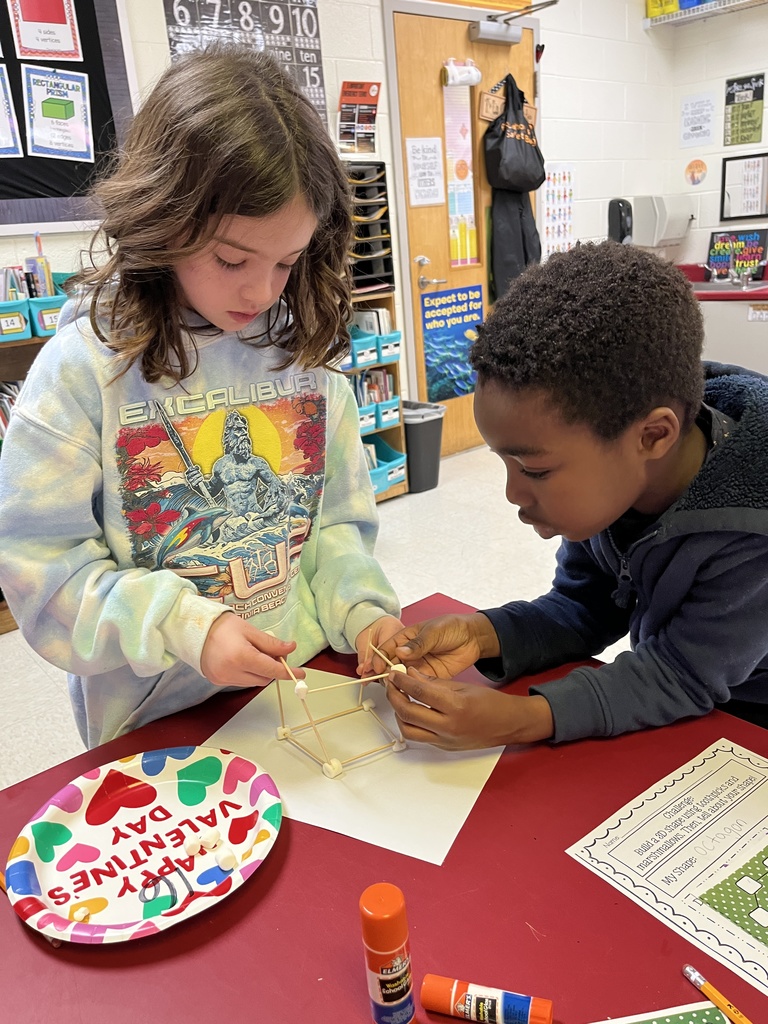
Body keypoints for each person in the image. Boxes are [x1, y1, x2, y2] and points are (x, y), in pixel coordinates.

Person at [0, 45, 402, 748]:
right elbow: (45, 578)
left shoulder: (304, 353)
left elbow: (335, 528)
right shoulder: (79, 375)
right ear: (162, 219)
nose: (262, 291)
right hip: (157, 724)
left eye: (288, 260)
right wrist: (187, 625)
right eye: (231, 259)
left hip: (298, 690)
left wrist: (363, 610)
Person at [376, 241, 768, 749]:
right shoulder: (614, 487)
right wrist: (481, 634)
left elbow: (682, 675)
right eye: (504, 463)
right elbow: (585, 608)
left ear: (652, 436)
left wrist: (524, 718)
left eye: (535, 470)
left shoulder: (752, 527)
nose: (513, 494)